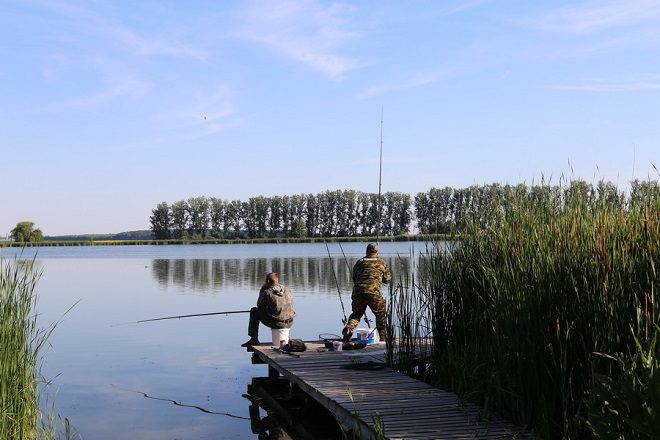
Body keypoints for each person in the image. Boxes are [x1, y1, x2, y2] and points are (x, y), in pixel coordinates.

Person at [342, 243, 392, 342]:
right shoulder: (382, 262)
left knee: (356, 314)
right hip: (374, 293)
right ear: (377, 252)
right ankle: (384, 338)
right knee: (380, 315)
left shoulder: (359, 262)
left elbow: (355, 279)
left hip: (358, 291)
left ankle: (349, 329)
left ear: (366, 251)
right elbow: (387, 279)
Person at [241, 272, 295, 347]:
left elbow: (259, 306)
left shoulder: (268, 292)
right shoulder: (288, 290)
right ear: (277, 280)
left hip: (277, 323)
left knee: (254, 311)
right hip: (290, 322)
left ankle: (254, 339)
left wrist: (262, 290)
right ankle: (285, 339)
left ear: (268, 281)